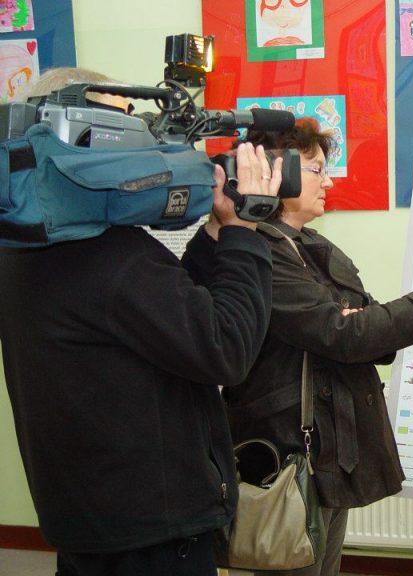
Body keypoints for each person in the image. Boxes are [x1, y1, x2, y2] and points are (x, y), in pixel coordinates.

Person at [0, 68, 283, 576]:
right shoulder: (110, 256)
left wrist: (216, 233)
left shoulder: (26, 247)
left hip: (89, 522)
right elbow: (224, 347)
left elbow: (164, 317)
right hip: (153, 534)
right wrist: (244, 231)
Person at [184, 117, 413, 576]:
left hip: (328, 451)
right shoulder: (258, 248)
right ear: (278, 172)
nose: (329, 181)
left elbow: (362, 327)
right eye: (317, 169)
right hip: (287, 453)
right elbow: (341, 333)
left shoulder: (311, 245)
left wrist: (357, 325)